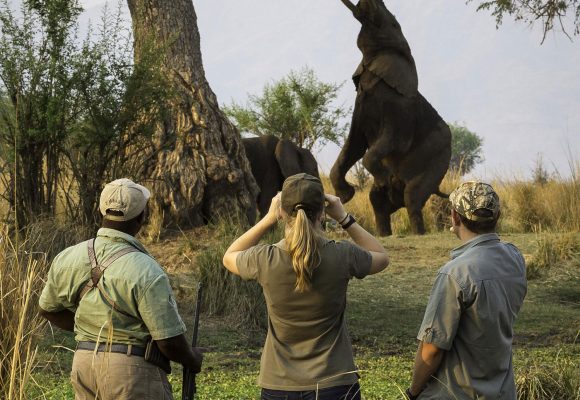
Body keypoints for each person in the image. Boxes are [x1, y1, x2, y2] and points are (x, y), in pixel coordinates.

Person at [223, 172, 389, 400]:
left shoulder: (265, 259)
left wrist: (269, 218)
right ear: (322, 212)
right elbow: (381, 256)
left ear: (282, 210)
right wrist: (344, 217)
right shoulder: (343, 255)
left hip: (279, 385)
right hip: (335, 383)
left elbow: (229, 256)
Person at [39, 178, 203, 400]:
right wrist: (192, 359)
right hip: (130, 371)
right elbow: (169, 341)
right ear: (141, 217)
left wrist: (93, 332)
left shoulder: (68, 256)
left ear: (102, 210)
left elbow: (48, 309)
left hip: (84, 363)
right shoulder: (147, 269)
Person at [405, 181, 527, 400]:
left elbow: (432, 350)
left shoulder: (454, 273)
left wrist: (413, 392)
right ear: (496, 217)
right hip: (503, 392)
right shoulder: (515, 258)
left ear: (455, 216)